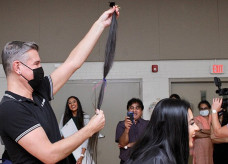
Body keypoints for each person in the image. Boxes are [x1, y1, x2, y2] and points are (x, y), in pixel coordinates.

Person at [0, 6, 119, 163]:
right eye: (36, 64)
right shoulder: (11, 109)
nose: (40, 68)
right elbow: (49, 155)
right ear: (17, 67)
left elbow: (72, 63)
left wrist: (100, 24)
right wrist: (89, 129)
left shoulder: (37, 90)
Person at [125, 98, 199, 164]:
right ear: (175, 127)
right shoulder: (156, 159)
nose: (197, 128)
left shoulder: (167, 154)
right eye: (191, 123)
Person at [59, 96, 92, 164]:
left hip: (80, 152)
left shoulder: (85, 117)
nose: (72, 104)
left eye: (74, 102)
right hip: (67, 151)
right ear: (68, 106)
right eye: (70, 103)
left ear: (78, 103)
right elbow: (60, 133)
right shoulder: (64, 116)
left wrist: (81, 156)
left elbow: (86, 138)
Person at [115, 98, 149, 164]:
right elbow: (122, 144)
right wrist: (126, 129)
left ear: (141, 111)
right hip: (126, 161)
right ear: (128, 111)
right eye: (131, 108)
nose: (134, 110)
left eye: (137, 108)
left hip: (144, 160)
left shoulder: (148, 124)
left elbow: (150, 142)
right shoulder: (121, 124)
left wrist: (130, 145)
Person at [211, 98, 228, 164]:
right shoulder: (214, 120)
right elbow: (212, 138)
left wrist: (214, 111)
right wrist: (226, 140)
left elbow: (217, 133)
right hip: (219, 151)